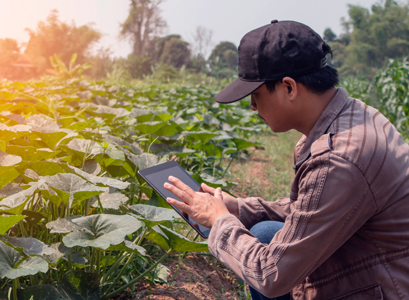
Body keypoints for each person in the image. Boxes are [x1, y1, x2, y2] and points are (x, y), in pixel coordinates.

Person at [163, 20, 409, 299]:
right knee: (266, 231)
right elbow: (311, 207)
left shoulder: (340, 159)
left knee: (265, 248)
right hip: (376, 264)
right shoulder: (354, 116)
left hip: (386, 288)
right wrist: (238, 209)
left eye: (255, 95)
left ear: (289, 88)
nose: (253, 107)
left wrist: (219, 220)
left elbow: (270, 276)